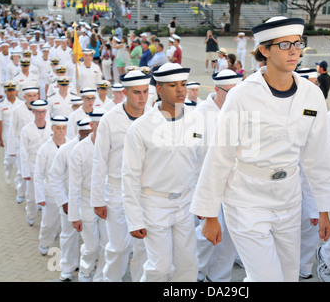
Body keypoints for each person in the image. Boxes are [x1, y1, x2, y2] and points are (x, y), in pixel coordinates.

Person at [189, 16, 330, 282]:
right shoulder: (242, 95)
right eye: (285, 45)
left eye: (298, 43)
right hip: (247, 199)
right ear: (264, 50)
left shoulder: (311, 94)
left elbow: (320, 156)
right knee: (267, 278)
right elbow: (220, 155)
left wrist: (324, 210)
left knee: (287, 276)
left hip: (288, 199)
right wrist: (210, 214)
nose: (295, 50)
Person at [122, 62, 205, 281]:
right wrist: (134, 219)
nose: (180, 90)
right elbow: (130, 176)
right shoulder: (141, 127)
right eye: (172, 85)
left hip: (185, 204)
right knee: (159, 268)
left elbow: (200, 165)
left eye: (183, 84)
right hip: (154, 204)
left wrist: (203, 202)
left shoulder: (198, 119)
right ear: (159, 89)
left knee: (188, 264)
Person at [90, 70, 151, 282]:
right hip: (117, 190)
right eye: (136, 93)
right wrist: (97, 199)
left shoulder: (154, 116)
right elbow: (99, 161)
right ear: (124, 92)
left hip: (146, 192)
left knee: (144, 247)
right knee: (118, 248)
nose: (142, 97)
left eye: (145, 91)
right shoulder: (109, 120)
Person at [195, 69, 243, 282]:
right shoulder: (199, 114)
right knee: (205, 235)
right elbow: (194, 155)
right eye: (229, 92)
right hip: (206, 182)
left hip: (234, 182)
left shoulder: (242, 110)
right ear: (216, 89)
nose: (234, 97)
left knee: (231, 234)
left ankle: (219, 278)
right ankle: (195, 270)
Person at [49, 117, 93, 281]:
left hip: (90, 201)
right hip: (70, 199)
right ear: (80, 132)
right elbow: (55, 177)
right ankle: (67, 267)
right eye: (87, 133)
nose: (91, 136)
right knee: (68, 235)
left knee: (92, 237)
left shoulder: (99, 147)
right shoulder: (67, 149)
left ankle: (86, 267)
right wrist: (64, 201)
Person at [68, 108, 108, 282]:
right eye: (98, 125)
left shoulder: (113, 147)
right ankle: (85, 271)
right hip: (86, 201)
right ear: (91, 125)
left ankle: (101, 276)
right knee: (91, 246)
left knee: (108, 246)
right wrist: (74, 215)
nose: (101, 129)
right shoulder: (79, 150)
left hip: (107, 201)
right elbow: (74, 186)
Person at [34, 115, 68, 256]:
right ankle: (45, 242)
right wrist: (40, 195)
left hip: (67, 191)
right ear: (52, 128)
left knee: (66, 223)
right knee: (48, 221)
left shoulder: (71, 145)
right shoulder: (45, 149)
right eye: (58, 128)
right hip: (51, 191)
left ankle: (65, 251)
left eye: (63, 128)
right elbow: (38, 174)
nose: (61, 131)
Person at [20, 100, 53, 227]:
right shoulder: (26, 130)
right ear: (33, 112)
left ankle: (48, 224)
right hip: (33, 165)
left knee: (48, 196)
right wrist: (25, 172)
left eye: (43, 112)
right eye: (38, 112)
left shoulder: (52, 127)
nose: (41, 115)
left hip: (49, 166)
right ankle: (31, 214)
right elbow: (23, 153)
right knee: (32, 195)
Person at [7, 86, 40, 205]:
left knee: (37, 173)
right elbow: (12, 130)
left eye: (34, 95)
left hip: (36, 145)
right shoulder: (17, 110)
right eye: (29, 96)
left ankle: (38, 197)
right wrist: (10, 150)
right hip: (21, 145)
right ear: (24, 97)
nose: (32, 98)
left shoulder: (41, 109)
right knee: (21, 171)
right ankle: (21, 193)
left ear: (38, 96)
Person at [0, 81, 21, 184]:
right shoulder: (0, 105)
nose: (11, 93)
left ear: (16, 91)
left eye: (13, 90)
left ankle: (17, 181)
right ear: (6, 91)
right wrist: (0, 138)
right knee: (9, 159)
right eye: (9, 91)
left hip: (18, 134)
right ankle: (8, 172)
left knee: (19, 159)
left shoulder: (21, 104)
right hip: (7, 134)